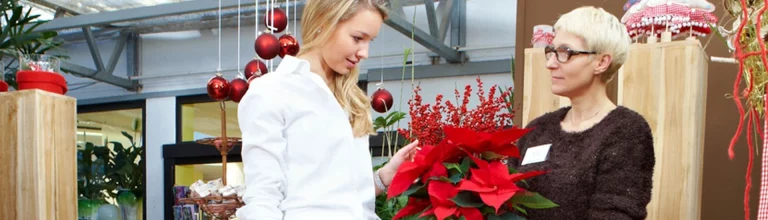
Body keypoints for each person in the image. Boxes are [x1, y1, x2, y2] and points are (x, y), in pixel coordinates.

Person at [235, 0, 419, 219]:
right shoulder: (272, 92)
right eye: (358, 38)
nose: (365, 53)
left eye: (370, 41)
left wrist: (385, 175)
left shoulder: (349, 99)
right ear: (324, 22)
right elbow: (262, 198)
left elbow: (342, 197)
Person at [509, 6, 655, 220]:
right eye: (551, 52)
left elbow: (616, 213)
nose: (550, 64)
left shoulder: (626, 131)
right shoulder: (537, 130)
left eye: (565, 53)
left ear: (601, 62)